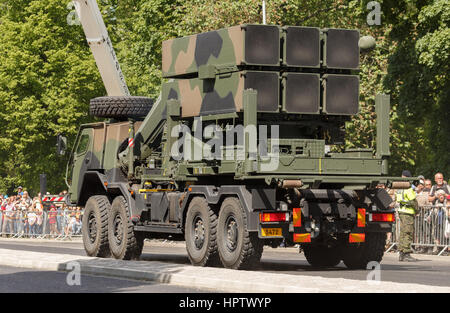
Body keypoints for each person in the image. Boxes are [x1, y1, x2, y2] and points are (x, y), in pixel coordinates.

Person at [396, 170, 419, 262]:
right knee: (408, 233)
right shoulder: (408, 188)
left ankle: (401, 253)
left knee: (402, 233)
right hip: (408, 213)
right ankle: (406, 253)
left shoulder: (400, 188)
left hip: (401, 211)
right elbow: (413, 201)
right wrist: (417, 210)